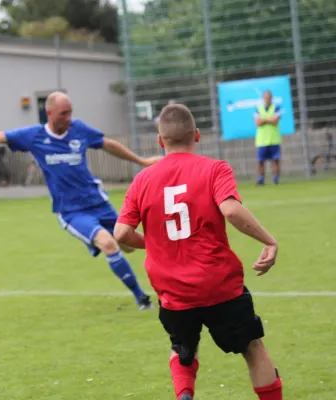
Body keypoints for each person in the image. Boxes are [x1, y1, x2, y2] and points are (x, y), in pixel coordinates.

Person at [114, 104, 283, 400]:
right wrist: (269, 240)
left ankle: (185, 395)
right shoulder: (215, 169)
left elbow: (121, 234)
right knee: (252, 347)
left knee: (183, 350)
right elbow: (231, 210)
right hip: (219, 284)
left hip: (173, 291)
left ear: (159, 140)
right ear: (197, 135)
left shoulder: (143, 179)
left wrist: (152, 243)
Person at [0, 91, 160, 310]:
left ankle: (174, 267)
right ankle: (142, 298)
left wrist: (141, 161)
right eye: (63, 113)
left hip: (98, 202)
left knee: (129, 244)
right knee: (108, 243)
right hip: (72, 211)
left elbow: (108, 144)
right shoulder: (34, 136)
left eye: (70, 112)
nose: (68, 118)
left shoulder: (79, 130)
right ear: (49, 113)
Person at [254, 91, 282, 185]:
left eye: (269, 97)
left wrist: (264, 119)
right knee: (260, 161)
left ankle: (275, 179)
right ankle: (261, 179)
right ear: (263, 98)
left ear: (271, 98)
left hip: (274, 139)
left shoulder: (276, 108)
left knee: (275, 160)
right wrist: (269, 119)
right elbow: (257, 122)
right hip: (262, 140)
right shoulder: (258, 109)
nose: (267, 99)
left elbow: (275, 120)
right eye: (265, 97)